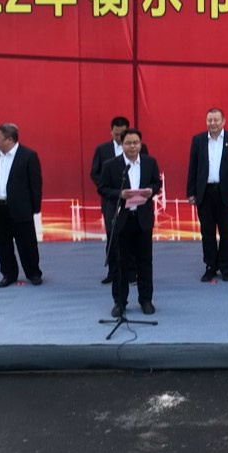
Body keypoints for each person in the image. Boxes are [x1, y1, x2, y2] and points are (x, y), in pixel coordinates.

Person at [98, 128, 162, 317]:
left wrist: (151, 190)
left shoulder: (150, 162)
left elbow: (157, 183)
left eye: (135, 143)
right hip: (121, 220)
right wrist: (120, 194)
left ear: (140, 144)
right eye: (128, 143)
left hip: (142, 220)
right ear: (122, 145)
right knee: (120, 263)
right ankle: (120, 302)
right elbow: (102, 188)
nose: (132, 146)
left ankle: (146, 300)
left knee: (145, 262)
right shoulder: (111, 165)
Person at [186, 107, 228, 282]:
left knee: (226, 232)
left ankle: (227, 267)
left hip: (225, 193)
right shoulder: (198, 140)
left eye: (216, 120)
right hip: (205, 193)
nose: (212, 123)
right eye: (209, 120)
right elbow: (193, 168)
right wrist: (191, 192)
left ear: (223, 121)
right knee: (207, 233)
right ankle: (210, 266)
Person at [0, 122, 44, 288]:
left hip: (21, 208)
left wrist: (34, 208)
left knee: (27, 243)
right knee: (3, 244)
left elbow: (36, 184)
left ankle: (33, 273)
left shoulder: (28, 156)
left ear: (9, 140)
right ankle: (8, 274)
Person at [91, 116, 130, 285]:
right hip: (111, 200)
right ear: (111, 132)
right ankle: (113, 272)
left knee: (131, 236)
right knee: (112, 236)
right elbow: (95, 173)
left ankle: (131, 272)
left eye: (123, 134)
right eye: (116, 134)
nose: (120, 137)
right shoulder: (102, 150)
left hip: (132, 200)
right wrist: (108, 189)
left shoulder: (137, 147)